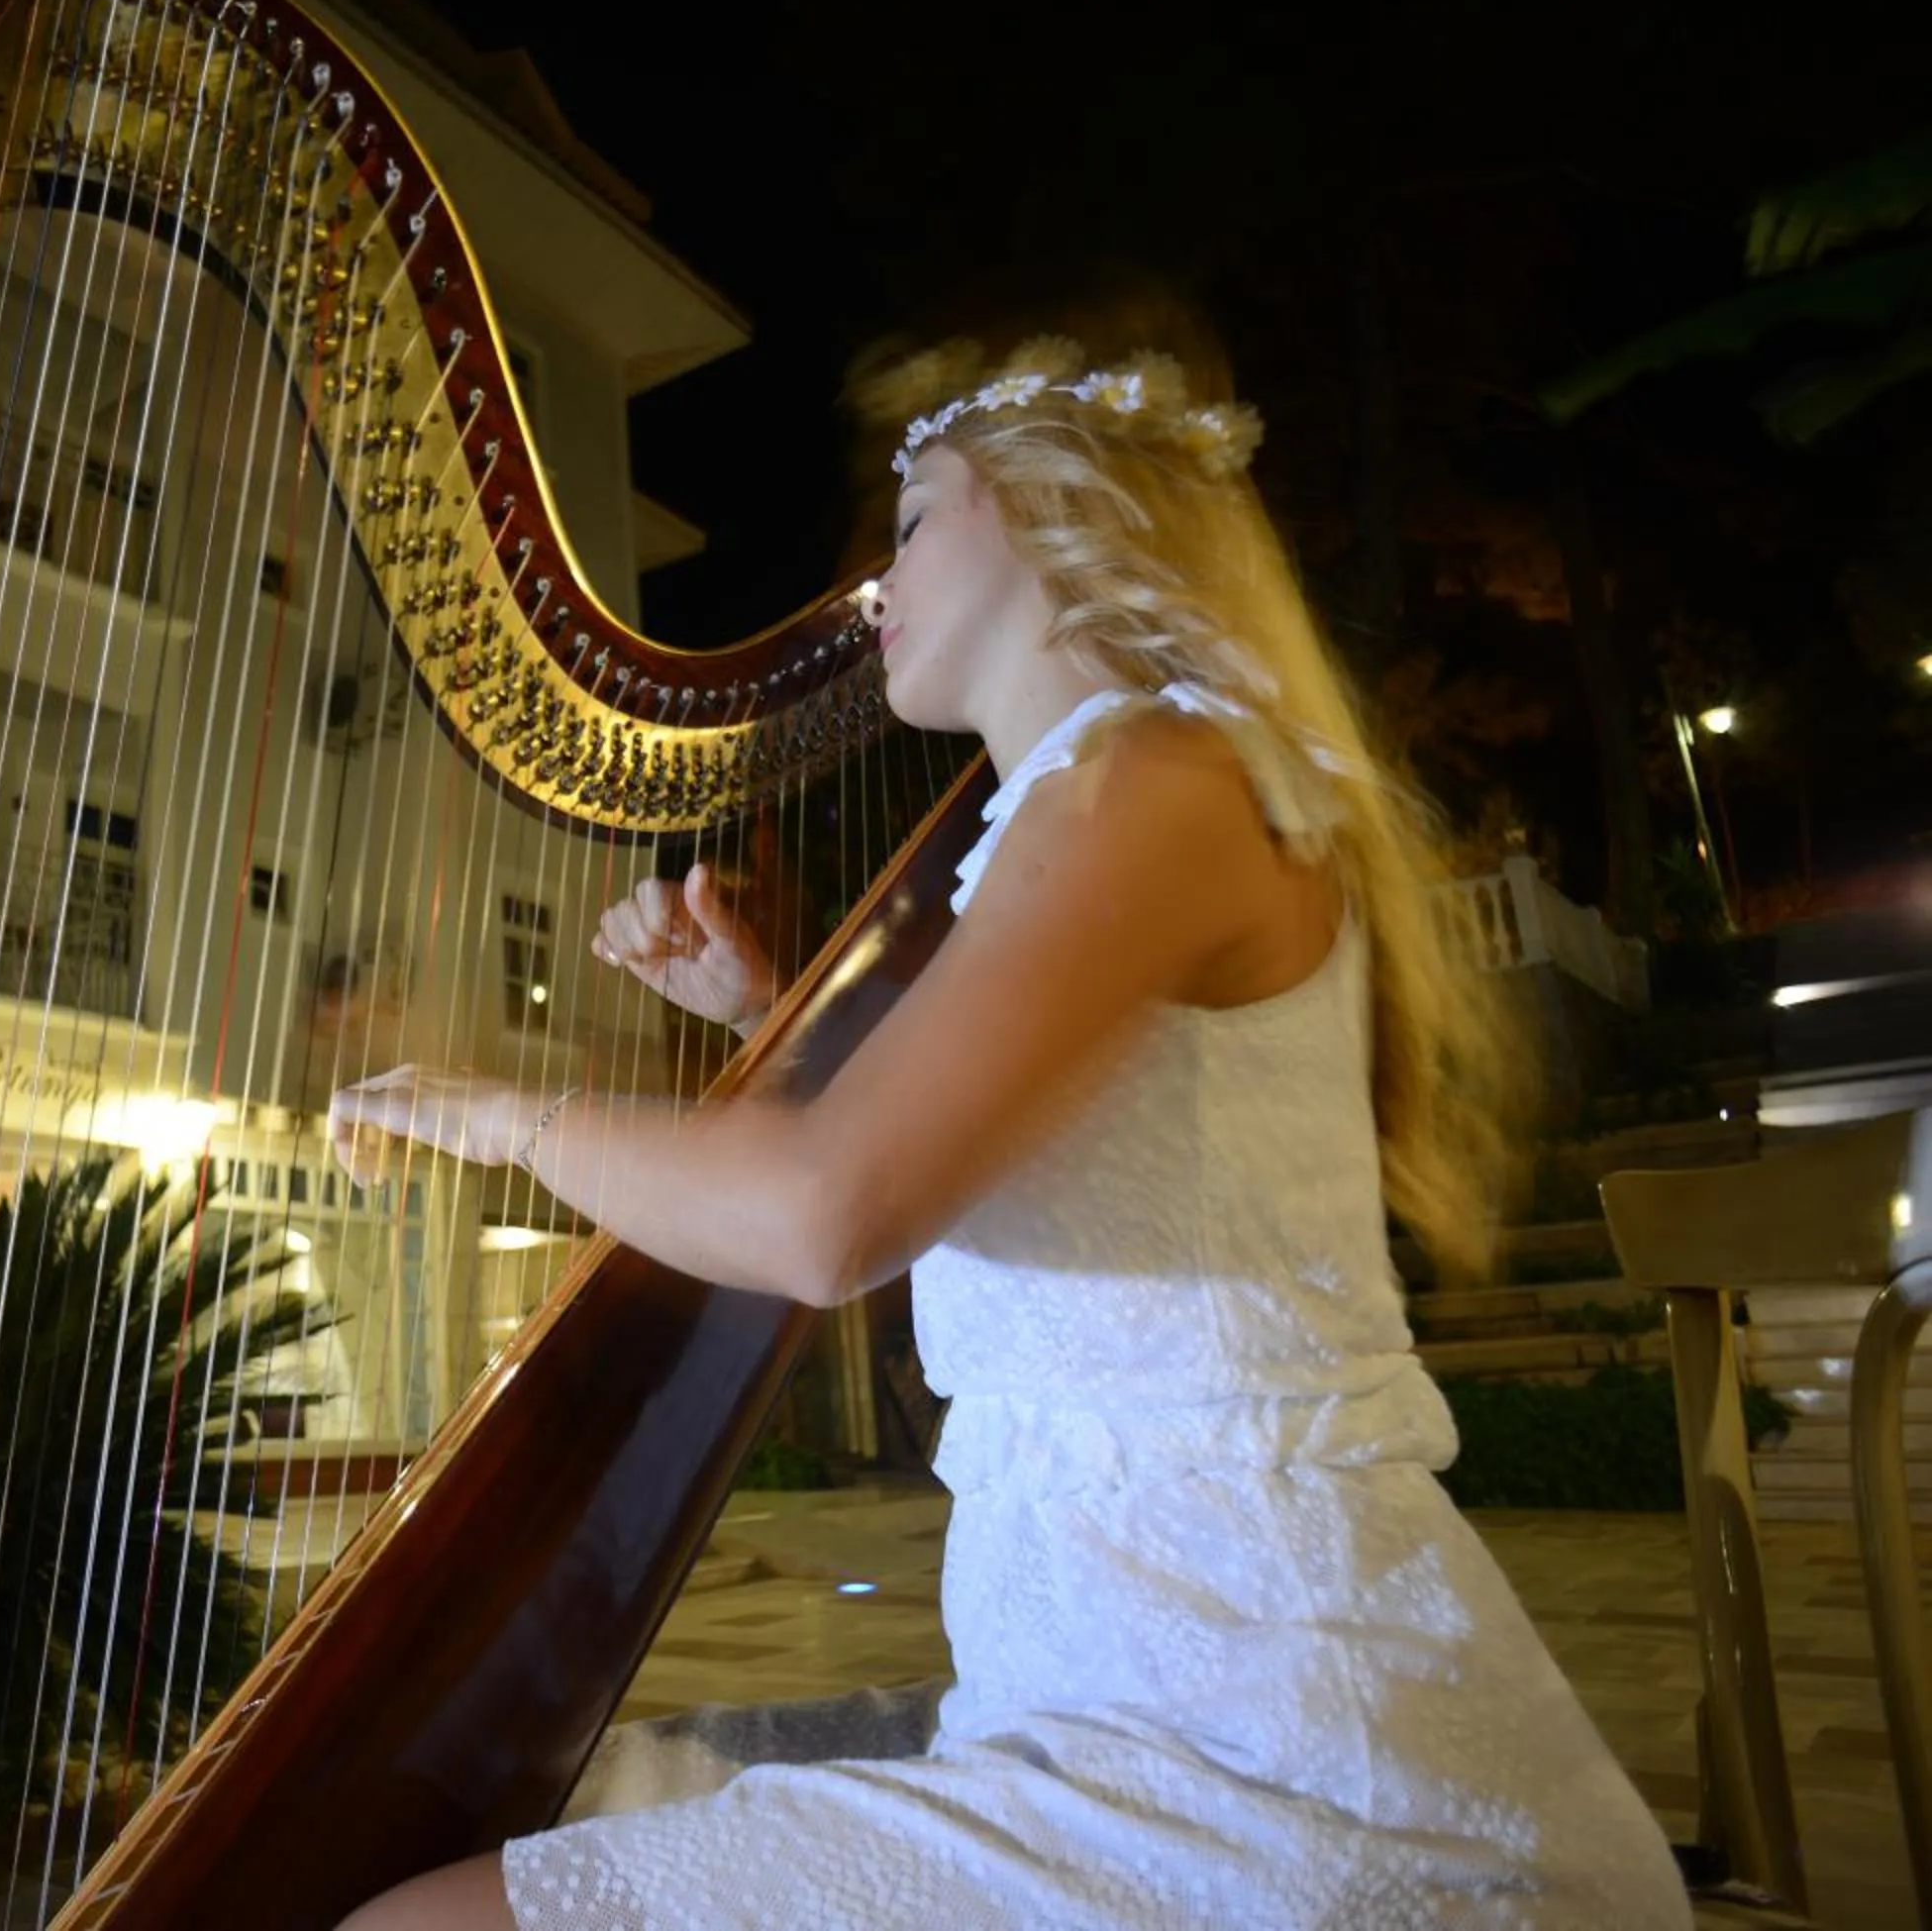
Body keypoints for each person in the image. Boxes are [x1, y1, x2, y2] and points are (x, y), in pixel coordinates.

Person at [322, 309, 1690, 1928]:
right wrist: (770, 1022)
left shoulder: (1159, 778)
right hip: (1105, 1702)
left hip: (1267, 1757)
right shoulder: (1108, 797)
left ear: (1056, 510)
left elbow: (825, 1218)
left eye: (913, 522)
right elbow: (1039, 1234)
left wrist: (499, 1109)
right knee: (546, 1804)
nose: (874, 580)